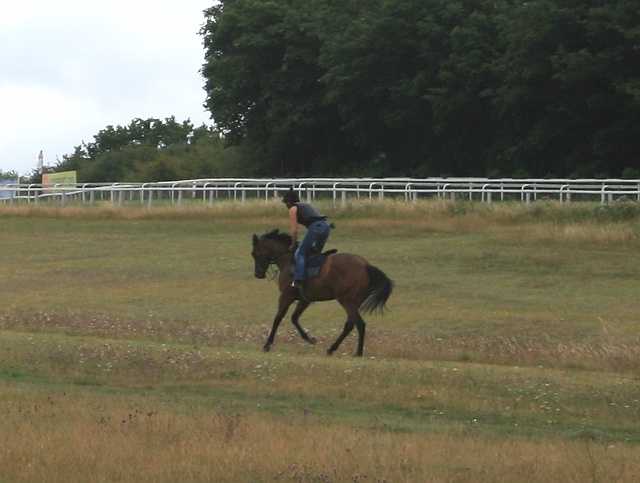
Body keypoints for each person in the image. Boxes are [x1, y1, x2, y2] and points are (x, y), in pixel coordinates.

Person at [282, 187, 331, 289]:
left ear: (288, 202)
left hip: (316, 227)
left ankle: (299, 280)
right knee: (316, 252)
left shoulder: (293, 209)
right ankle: (316, 276)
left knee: (300, 253)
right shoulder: (306, 205)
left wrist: (293, 243)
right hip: (327, 226)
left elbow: (294, 230)